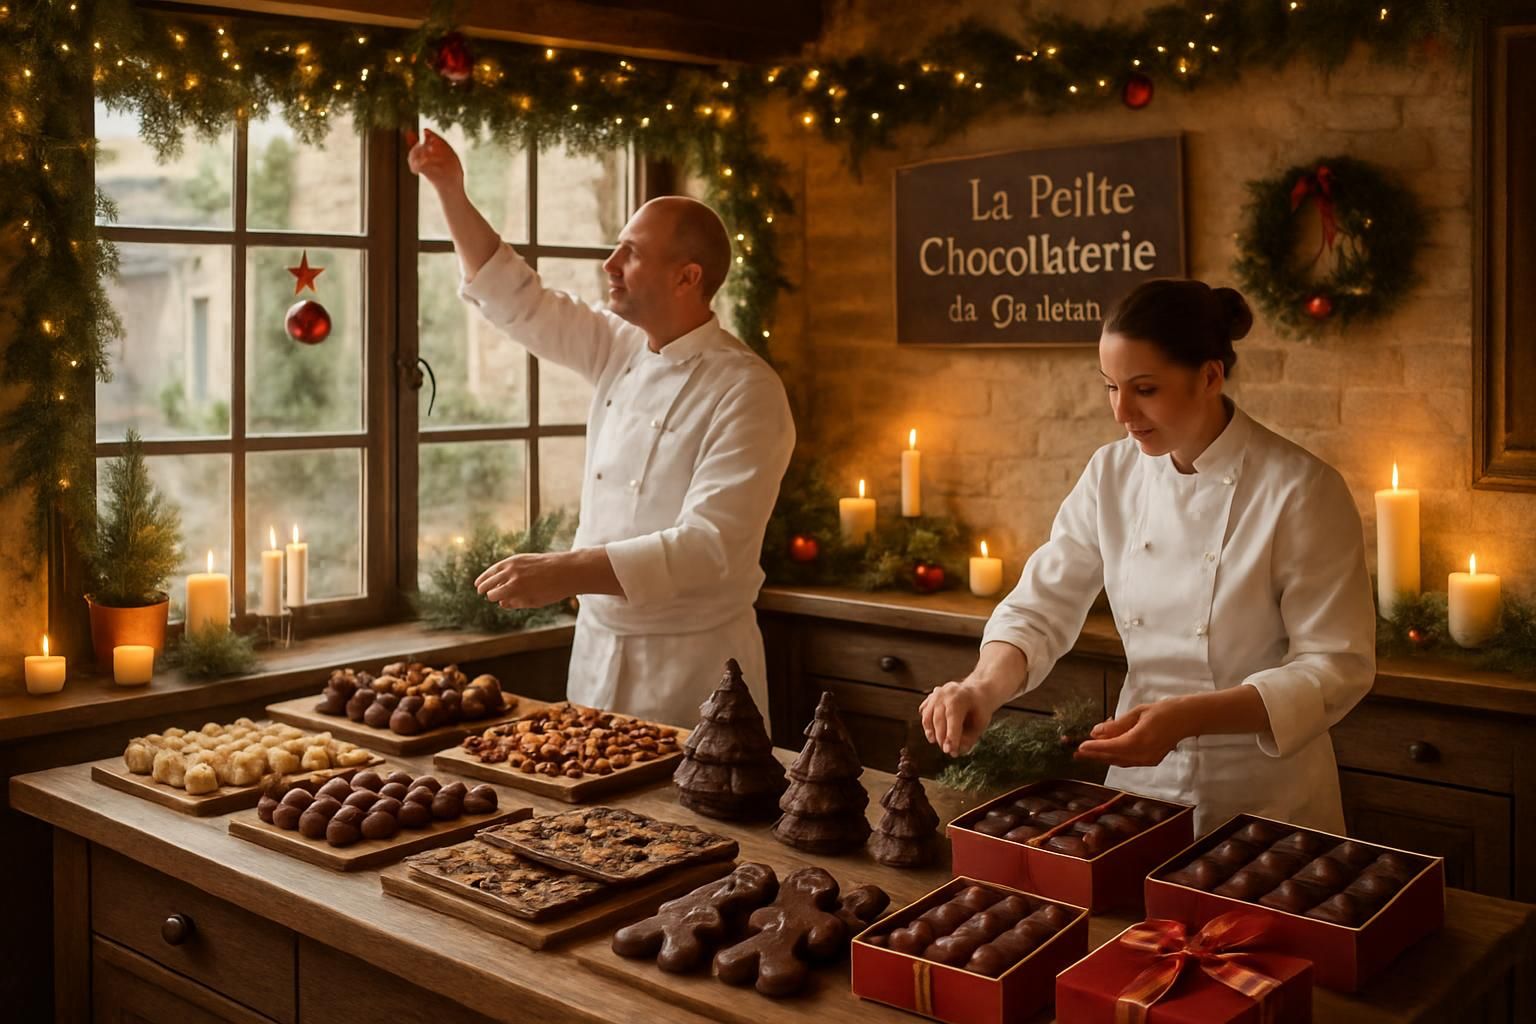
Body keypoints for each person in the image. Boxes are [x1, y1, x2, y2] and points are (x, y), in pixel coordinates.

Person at [920, 279, 1376, 834]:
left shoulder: (1301, 490)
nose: (1121, 411)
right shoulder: (1111, 475)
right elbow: (1042, 605)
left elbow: (1336, 666)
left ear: (1210, 376)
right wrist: (980, 688)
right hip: (1140, 792)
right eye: (1110, 387)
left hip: (1265, 802)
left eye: (1145, 388)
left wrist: (1186, 718)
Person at [408, 127, 794, 726]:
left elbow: (711, 544)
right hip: (594, 648)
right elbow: (520, 301)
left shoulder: (749, 391)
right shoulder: (619, 346)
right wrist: (451, 191)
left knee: (688, 820)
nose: (609, 264)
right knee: (583, 819)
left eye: (631, 252)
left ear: (687, 277)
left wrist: (566, 569)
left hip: (694, 666)